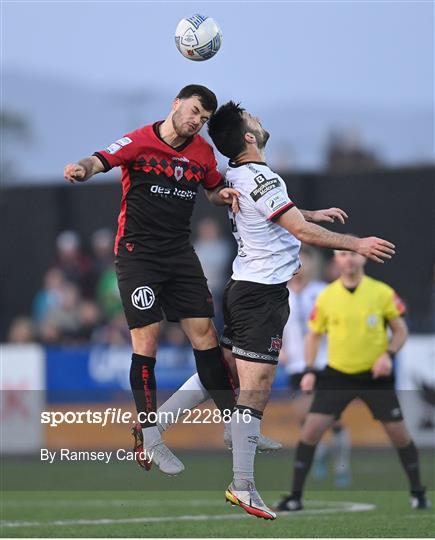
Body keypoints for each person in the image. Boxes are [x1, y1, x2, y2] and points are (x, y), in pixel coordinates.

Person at [63, 85, 275, 476]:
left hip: (180, 256)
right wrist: (81, 169)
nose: (197, 121)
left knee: (207, 338)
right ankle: (151, 436)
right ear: (177, 104)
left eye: (204, 119)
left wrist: (222, 195)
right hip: (138, 257)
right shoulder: (140, 141)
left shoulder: (201, 153)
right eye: (194, 111)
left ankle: (235, 425)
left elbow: (211, 188)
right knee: (147, 342)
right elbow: (100, 159)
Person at [206, 101, 395, 520]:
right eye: (253, 119)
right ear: (250, 138)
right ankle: (243, 486)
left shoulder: (237, 175)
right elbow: (300, 231)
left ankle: (156, 427)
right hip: (261, 295)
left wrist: (305, 212)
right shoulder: (262, 175)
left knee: (224, 373)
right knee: (254, 393)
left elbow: (275, 215)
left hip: (242, 286)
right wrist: (355, 242)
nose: (259, 120)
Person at [275, 249, 430, 512]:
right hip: (337, 374)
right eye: (343, 254)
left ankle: (417, 492)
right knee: (311, 431)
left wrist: (388, 355)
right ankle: (295, 497)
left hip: (375, 376)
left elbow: (400, 330)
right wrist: (311, 370)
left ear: (363, 259)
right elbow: (313, 335)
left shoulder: (381, 292)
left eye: (353, 254)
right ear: (336, 260)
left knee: (398, 434)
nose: (348, 259)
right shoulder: (326, 296)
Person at [279, 247, 351, 487]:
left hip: (325, 363)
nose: (299, 265)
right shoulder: (280, 294)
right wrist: (278, 350)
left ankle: (342, 466)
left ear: (312, 265)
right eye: (295, 260)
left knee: (334, 419)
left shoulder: (322, 292)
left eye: (304, 261)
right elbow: (272, 327)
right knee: (305, 417)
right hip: (296, 366)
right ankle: (321, 454)